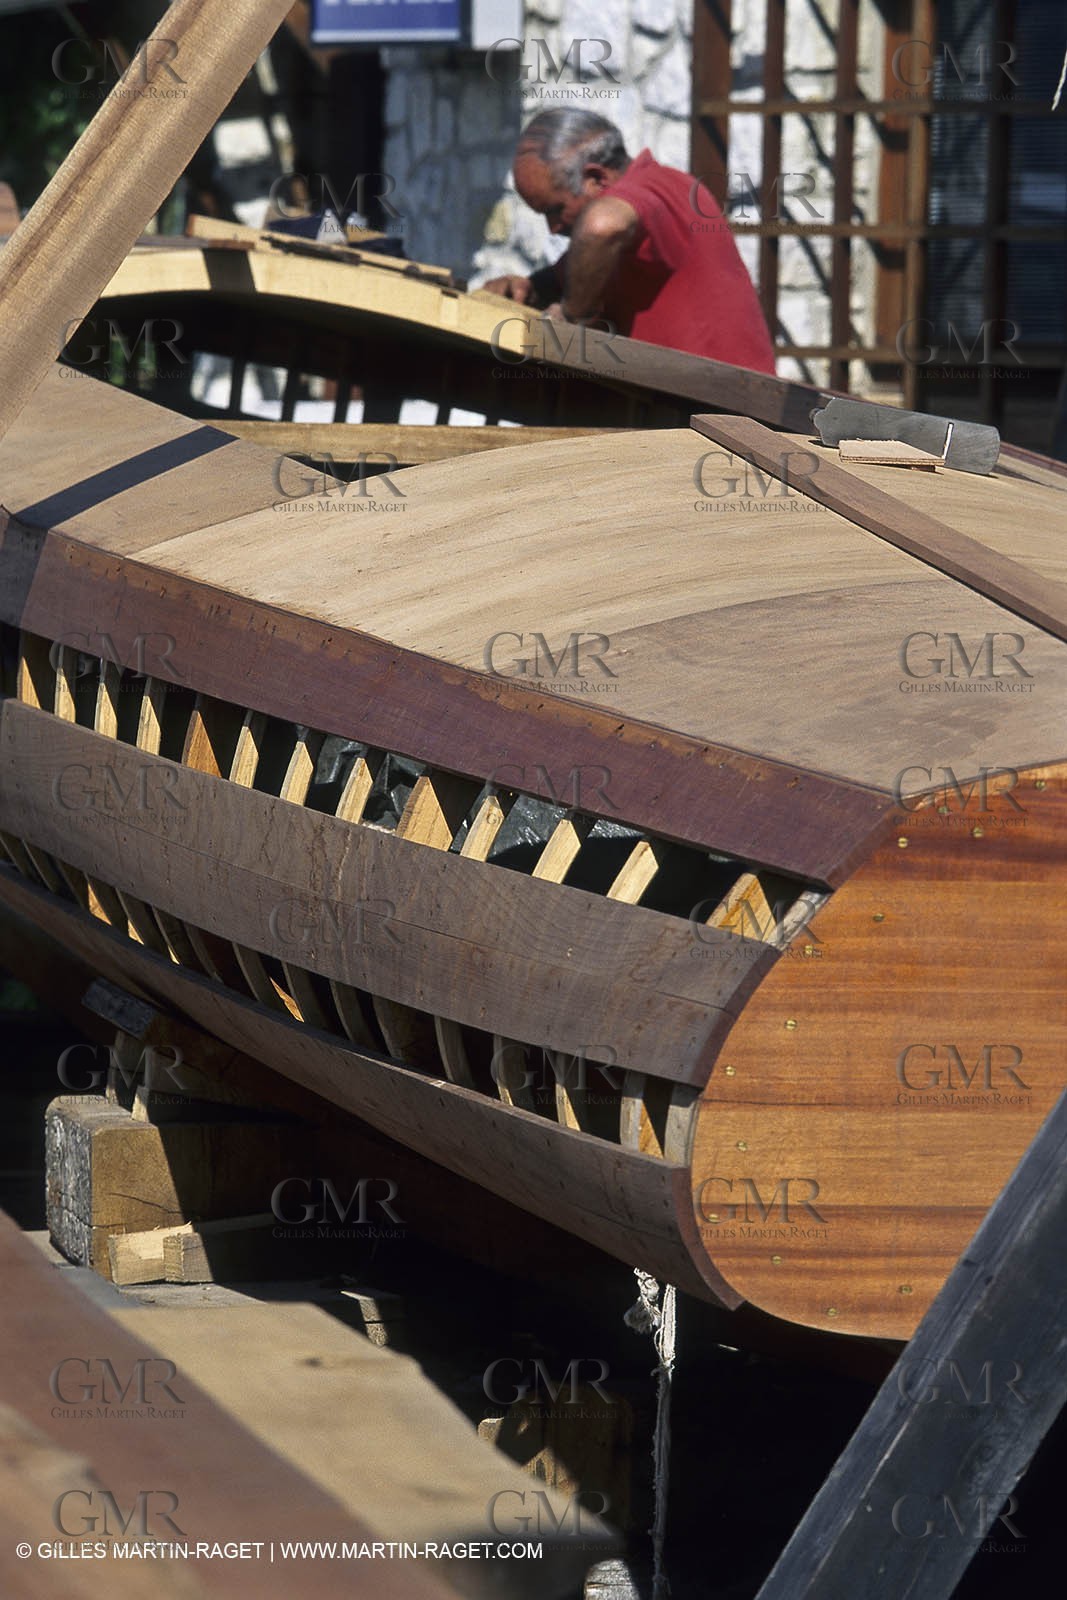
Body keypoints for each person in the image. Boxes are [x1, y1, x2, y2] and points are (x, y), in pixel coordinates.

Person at [482, 109, 776, 374]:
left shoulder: (655, 188)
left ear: (595, 178)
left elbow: (602, 226)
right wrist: (528, 289)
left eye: (555, 210)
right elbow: (572, 273)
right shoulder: (648, 202)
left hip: (729, 419)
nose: (553, 228)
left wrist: (570, 318)